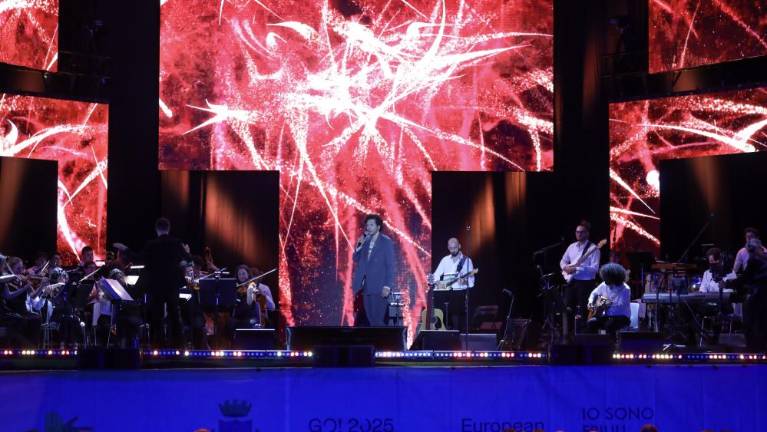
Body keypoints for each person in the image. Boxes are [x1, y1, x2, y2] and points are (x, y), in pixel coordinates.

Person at [141, 217, 189, 348]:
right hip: (172, 284)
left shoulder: (151, 244)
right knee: (175, 315)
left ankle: (157, 346)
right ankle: (179, 346)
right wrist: (184, 259)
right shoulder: (176, 243)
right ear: (169, 229)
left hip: (156, 285)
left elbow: (140, 258)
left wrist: (126, 250)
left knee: (157, 316)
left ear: (156, 230)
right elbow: (188, 259)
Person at [352, 214, 396, 326]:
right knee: (371, 320)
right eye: (367, 225)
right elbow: (355, 258)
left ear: (378, 227)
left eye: (371, 225)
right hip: (366, 287)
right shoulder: (366, 241)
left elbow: (390, 265)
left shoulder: (386, 242)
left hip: (379, 287)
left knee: (378, 320)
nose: (368, 227)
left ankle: (381, 338)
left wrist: (387, 286)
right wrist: (359, 245)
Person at [560, 220, 601, 332]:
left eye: (581, 232)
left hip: (586, 283)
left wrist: (577, 268)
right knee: (568, 308)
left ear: (587, 233)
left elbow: (595, 269)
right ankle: (569, 334)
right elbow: (563, 261)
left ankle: (585, 336)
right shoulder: (571, 247)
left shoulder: (593, 248)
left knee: (584, 311)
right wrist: (565, 268)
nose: (579, 234)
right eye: (577, 232)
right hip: (572, 281)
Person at [429, 237, 475, 330]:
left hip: (459, 292)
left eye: (455, 248)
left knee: (455, 303)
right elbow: (436, 275)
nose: (453, 250)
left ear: (459, 246)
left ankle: (455, 331)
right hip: (445, 292)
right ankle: (439, 329)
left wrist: (464, 281)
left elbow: (471, 282)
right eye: (450, 248)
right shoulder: (445, 260)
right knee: (434, 295)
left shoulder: (466, 261)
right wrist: (432, 279)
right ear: (448, 247)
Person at [586, 263, 631, 335]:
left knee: (609, 325)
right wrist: (590, 303)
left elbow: (620, 305)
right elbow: (594, 293)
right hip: (607, 317)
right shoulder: (604, 284)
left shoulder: (625, 289)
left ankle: (611, 341)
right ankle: (595, 341)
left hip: (622, 318)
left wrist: (606, 303)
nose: (606, 282)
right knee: (591, 323)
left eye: (608, 280)